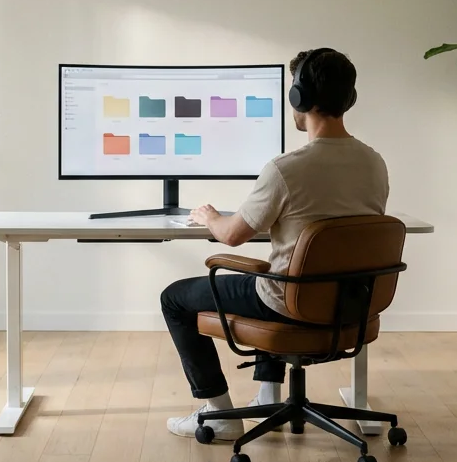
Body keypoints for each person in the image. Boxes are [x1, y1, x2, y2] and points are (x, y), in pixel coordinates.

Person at [161, 48, 389, 440]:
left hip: (291, 305)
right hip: (352, 304)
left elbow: (233, 235)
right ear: (347, 99)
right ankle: (268, 392)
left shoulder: (286, 169)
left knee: (176, 298)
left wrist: (210, 217)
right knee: (276, 271)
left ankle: (220, 414)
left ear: (297, 97)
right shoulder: (374, 162)